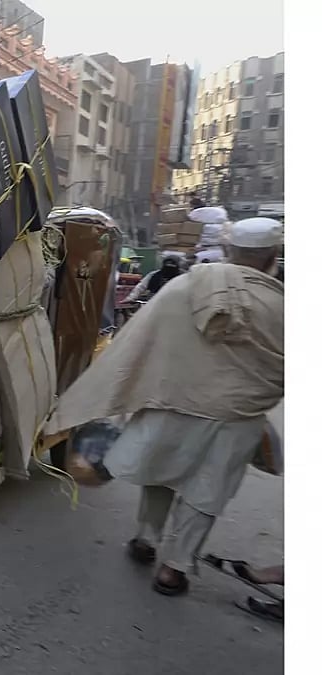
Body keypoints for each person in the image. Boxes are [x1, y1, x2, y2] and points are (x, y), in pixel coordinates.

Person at [44, 217, 284, 597]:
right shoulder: (281, 305)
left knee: (160, 473)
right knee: (208, 491)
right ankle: (174, 568)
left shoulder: (185, 287)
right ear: (273, 256)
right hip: (237, 417)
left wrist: (121, 392)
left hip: (174, 401)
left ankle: (146, 538)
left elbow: (138, 341)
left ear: (229, 251)